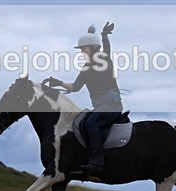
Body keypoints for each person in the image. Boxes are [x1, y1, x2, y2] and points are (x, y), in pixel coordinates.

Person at [46, 22, 123, 176]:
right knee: (83, 122)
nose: (82, 52)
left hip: (112, 105)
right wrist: (58, 83)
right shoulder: (86, 69)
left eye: (84, 48)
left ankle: (97, 162)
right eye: (81, 49)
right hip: (100, 107)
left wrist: (104, 36)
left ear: (94, 48)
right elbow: (75, 87)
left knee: (90, 123)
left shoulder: (103, 59)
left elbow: (107, 50)